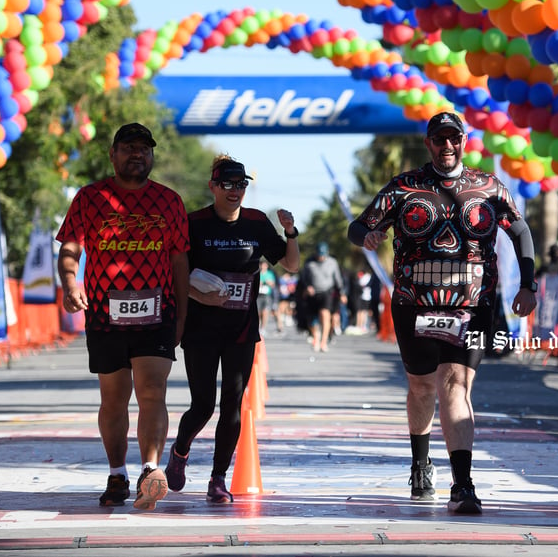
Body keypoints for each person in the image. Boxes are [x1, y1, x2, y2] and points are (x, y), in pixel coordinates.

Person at [347, 111, 537, 514]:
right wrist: (370, 235)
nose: (447, 146)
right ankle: (420, 464)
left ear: (464, 141)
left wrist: (528, 284)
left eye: (454, 138)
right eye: (439, 139)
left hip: (472, 304)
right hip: (414, 304)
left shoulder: (487, 186)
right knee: (421, 387)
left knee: (455, 384)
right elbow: (356, 226)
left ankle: (462, 484)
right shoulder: (404, 188)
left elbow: (519, 230)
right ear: (428, 143)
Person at [56, 122, 190, 510]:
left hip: (157, 311)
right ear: (113, 155)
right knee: (114, 398)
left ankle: (151, 470)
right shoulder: (90, 197)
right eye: (128, 147)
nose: (137, 154)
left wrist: (181, 312)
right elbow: (71, 248)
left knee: (153, 391)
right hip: (104, 314)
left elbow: (179, 260)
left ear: (152, 156)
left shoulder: (169, 201)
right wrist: (69, 283)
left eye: (144, 149)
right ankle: (117, 474)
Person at [164, 155, 300, 503]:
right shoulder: (194, 223)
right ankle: (180, 453)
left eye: (240, 185)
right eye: (227, 184)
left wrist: (290, 232)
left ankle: (218, 478)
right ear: (213, 186)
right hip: (200, 328)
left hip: (241, 328)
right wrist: (197, 295)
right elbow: (175, 273)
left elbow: (291, 264)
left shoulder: (256, 222)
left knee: (232, 406)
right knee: (203, 405)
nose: (234, 191)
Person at [300, 242, 346, 352]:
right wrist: (307, 287)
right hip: (313, 293)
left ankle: (323, 342)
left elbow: (338, 279)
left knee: (325, 315)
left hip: (327, 292)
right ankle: (316, 336)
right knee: (312, 320)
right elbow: (303, 278)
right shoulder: (309, 263)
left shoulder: (332, 262)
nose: (321, 257)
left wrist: (342, 293)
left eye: (323, 254)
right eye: (319, 254)